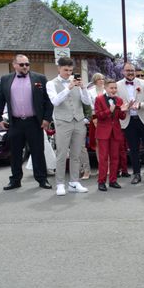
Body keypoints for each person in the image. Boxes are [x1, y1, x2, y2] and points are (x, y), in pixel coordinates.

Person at [0, 54, 53, 190]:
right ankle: (15, 180)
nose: (25, 67)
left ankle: (42, 179)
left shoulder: (40, 78)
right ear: (14, 65)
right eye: (22, 65)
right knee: (15, 153)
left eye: (27, 64)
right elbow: (0, 100)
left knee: (38, 151)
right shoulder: (5, 80)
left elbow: (48, 101)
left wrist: (46, 119)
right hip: (15, 123)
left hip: (34, 122)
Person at [47, 57, 92, 196]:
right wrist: (69, 87)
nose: (68, 73)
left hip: (78, 121)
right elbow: (55, 101)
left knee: (76, 154)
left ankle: (74, 182)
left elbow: (87, 101)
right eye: (65, 70)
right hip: (62, 122)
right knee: (61, 154)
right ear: (58, 68)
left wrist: (83, 88)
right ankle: (60, 184)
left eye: (70, 70)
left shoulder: (76, 82)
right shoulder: (51, 83)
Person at [116, 62, 144, 184]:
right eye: (127, 70)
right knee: (133, 148)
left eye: (132, 70)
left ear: (135, 71)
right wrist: (125, 106)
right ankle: (136, 174)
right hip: (128, 121)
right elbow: (117, 102)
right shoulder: (118, 85)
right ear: (123, 72)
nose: (130, 72)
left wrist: (140, 105)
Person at [94, 79, 129, 191]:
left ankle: (113, 180)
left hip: (116, 132)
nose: (114, 90)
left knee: (115, 157)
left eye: (115, 88)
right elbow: (98, 115)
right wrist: (109, 110)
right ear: (105, 88)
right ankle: (101, 182)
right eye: (111, 88)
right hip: (103, 133)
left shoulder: (119, 100)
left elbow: (121, 117)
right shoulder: (99, 99)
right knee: (103, 158)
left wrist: (124, 110)